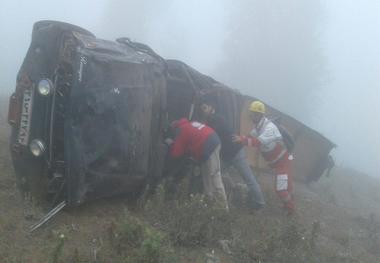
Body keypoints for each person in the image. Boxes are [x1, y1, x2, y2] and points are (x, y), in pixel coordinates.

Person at [199, 98, 265, 210]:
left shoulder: (217, 119)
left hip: (236, 153)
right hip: (226, 155)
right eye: (202, 108)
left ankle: (260, 203)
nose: (203, 110)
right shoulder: (211, 120)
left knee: (248, 179)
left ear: (212, 108)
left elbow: (213, 134)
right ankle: (230, 190)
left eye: (205, 108)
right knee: (217, 174)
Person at [232, 101, 295, 214]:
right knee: (286, 186)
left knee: (280, 189)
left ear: (261, 115)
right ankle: (289, 201)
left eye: (254, 114)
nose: (252, 116)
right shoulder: (259, 127)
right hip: (278, 162)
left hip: (284, 162)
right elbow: (250, 136)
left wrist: (242, 140)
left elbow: (257, 142)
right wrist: (240, 139)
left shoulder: (269, 128)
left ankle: (290, 209)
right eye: (251, 114)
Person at [166, 118, 228, 210]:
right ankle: (210, 202)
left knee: (214, 175)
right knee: (206, 175)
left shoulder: (182, 131)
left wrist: (171, 143)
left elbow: (176, 153)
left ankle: (223, 208)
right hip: (211, 141)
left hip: (209, 145)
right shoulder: (190, 124)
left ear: (175, 129)